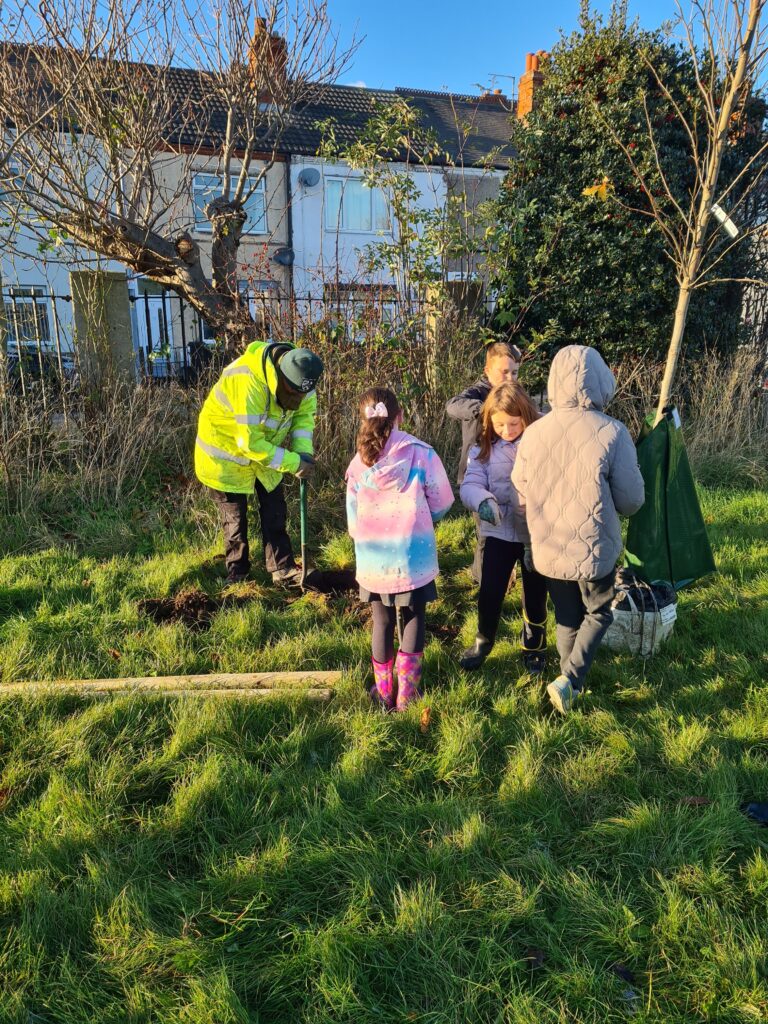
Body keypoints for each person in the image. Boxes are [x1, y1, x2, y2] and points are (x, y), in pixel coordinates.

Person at [512, 345, 645, 713]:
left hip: (550, 543)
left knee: (568, 613)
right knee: (599, 611)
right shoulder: (614, 433)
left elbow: (520, 483)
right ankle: (570, 679)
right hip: (595, 545)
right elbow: (632, 500)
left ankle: (566, 681)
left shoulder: (535, 433)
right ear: (602, 381)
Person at [345, 388, 454, 711]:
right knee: (413, 616)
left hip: (373, 558)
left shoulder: (357, 464)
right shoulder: (421, 453)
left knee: (381, 621)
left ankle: (382, 693)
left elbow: (352, 518)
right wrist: (424, 517)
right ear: (400, 416)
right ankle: (407, 695)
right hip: (412, 554)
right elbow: (443, 500)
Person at [195, 340, 323, 586]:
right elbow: (249, 443)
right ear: (281, 378)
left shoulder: (304, 379)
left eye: (302, 394)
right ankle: (238, 574)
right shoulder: (248, 379)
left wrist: (303, 454)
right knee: (234, 517)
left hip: (265, 450)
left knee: (275, 509)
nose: (297, 399)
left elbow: (304, 419)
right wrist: (293, 462)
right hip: (225, 453)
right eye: (293, 393)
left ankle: (282, 569)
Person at [458, 382, 548, 673]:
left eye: (513, 423)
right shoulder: (483, 448)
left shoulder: (541, 443)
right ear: (489, 422)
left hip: (535, 532)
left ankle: (534, 645)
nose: (507, 430)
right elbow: (470, 483)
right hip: (498, 530)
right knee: (490, 590)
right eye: (499, 424)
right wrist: (482, 500)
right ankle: (483, 641)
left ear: (526, 415)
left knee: (535, 592)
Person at [446, 341, 522, 582]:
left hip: (507, 474)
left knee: (508, 528)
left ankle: (506, 573)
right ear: (487, 370)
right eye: (504, 372)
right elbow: (452, 406)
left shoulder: (515, 394)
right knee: (486, 533)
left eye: (515, 372)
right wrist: (487, 408)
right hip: (476, 475)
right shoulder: (475, 393)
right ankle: (483, 579)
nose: (510, 378)